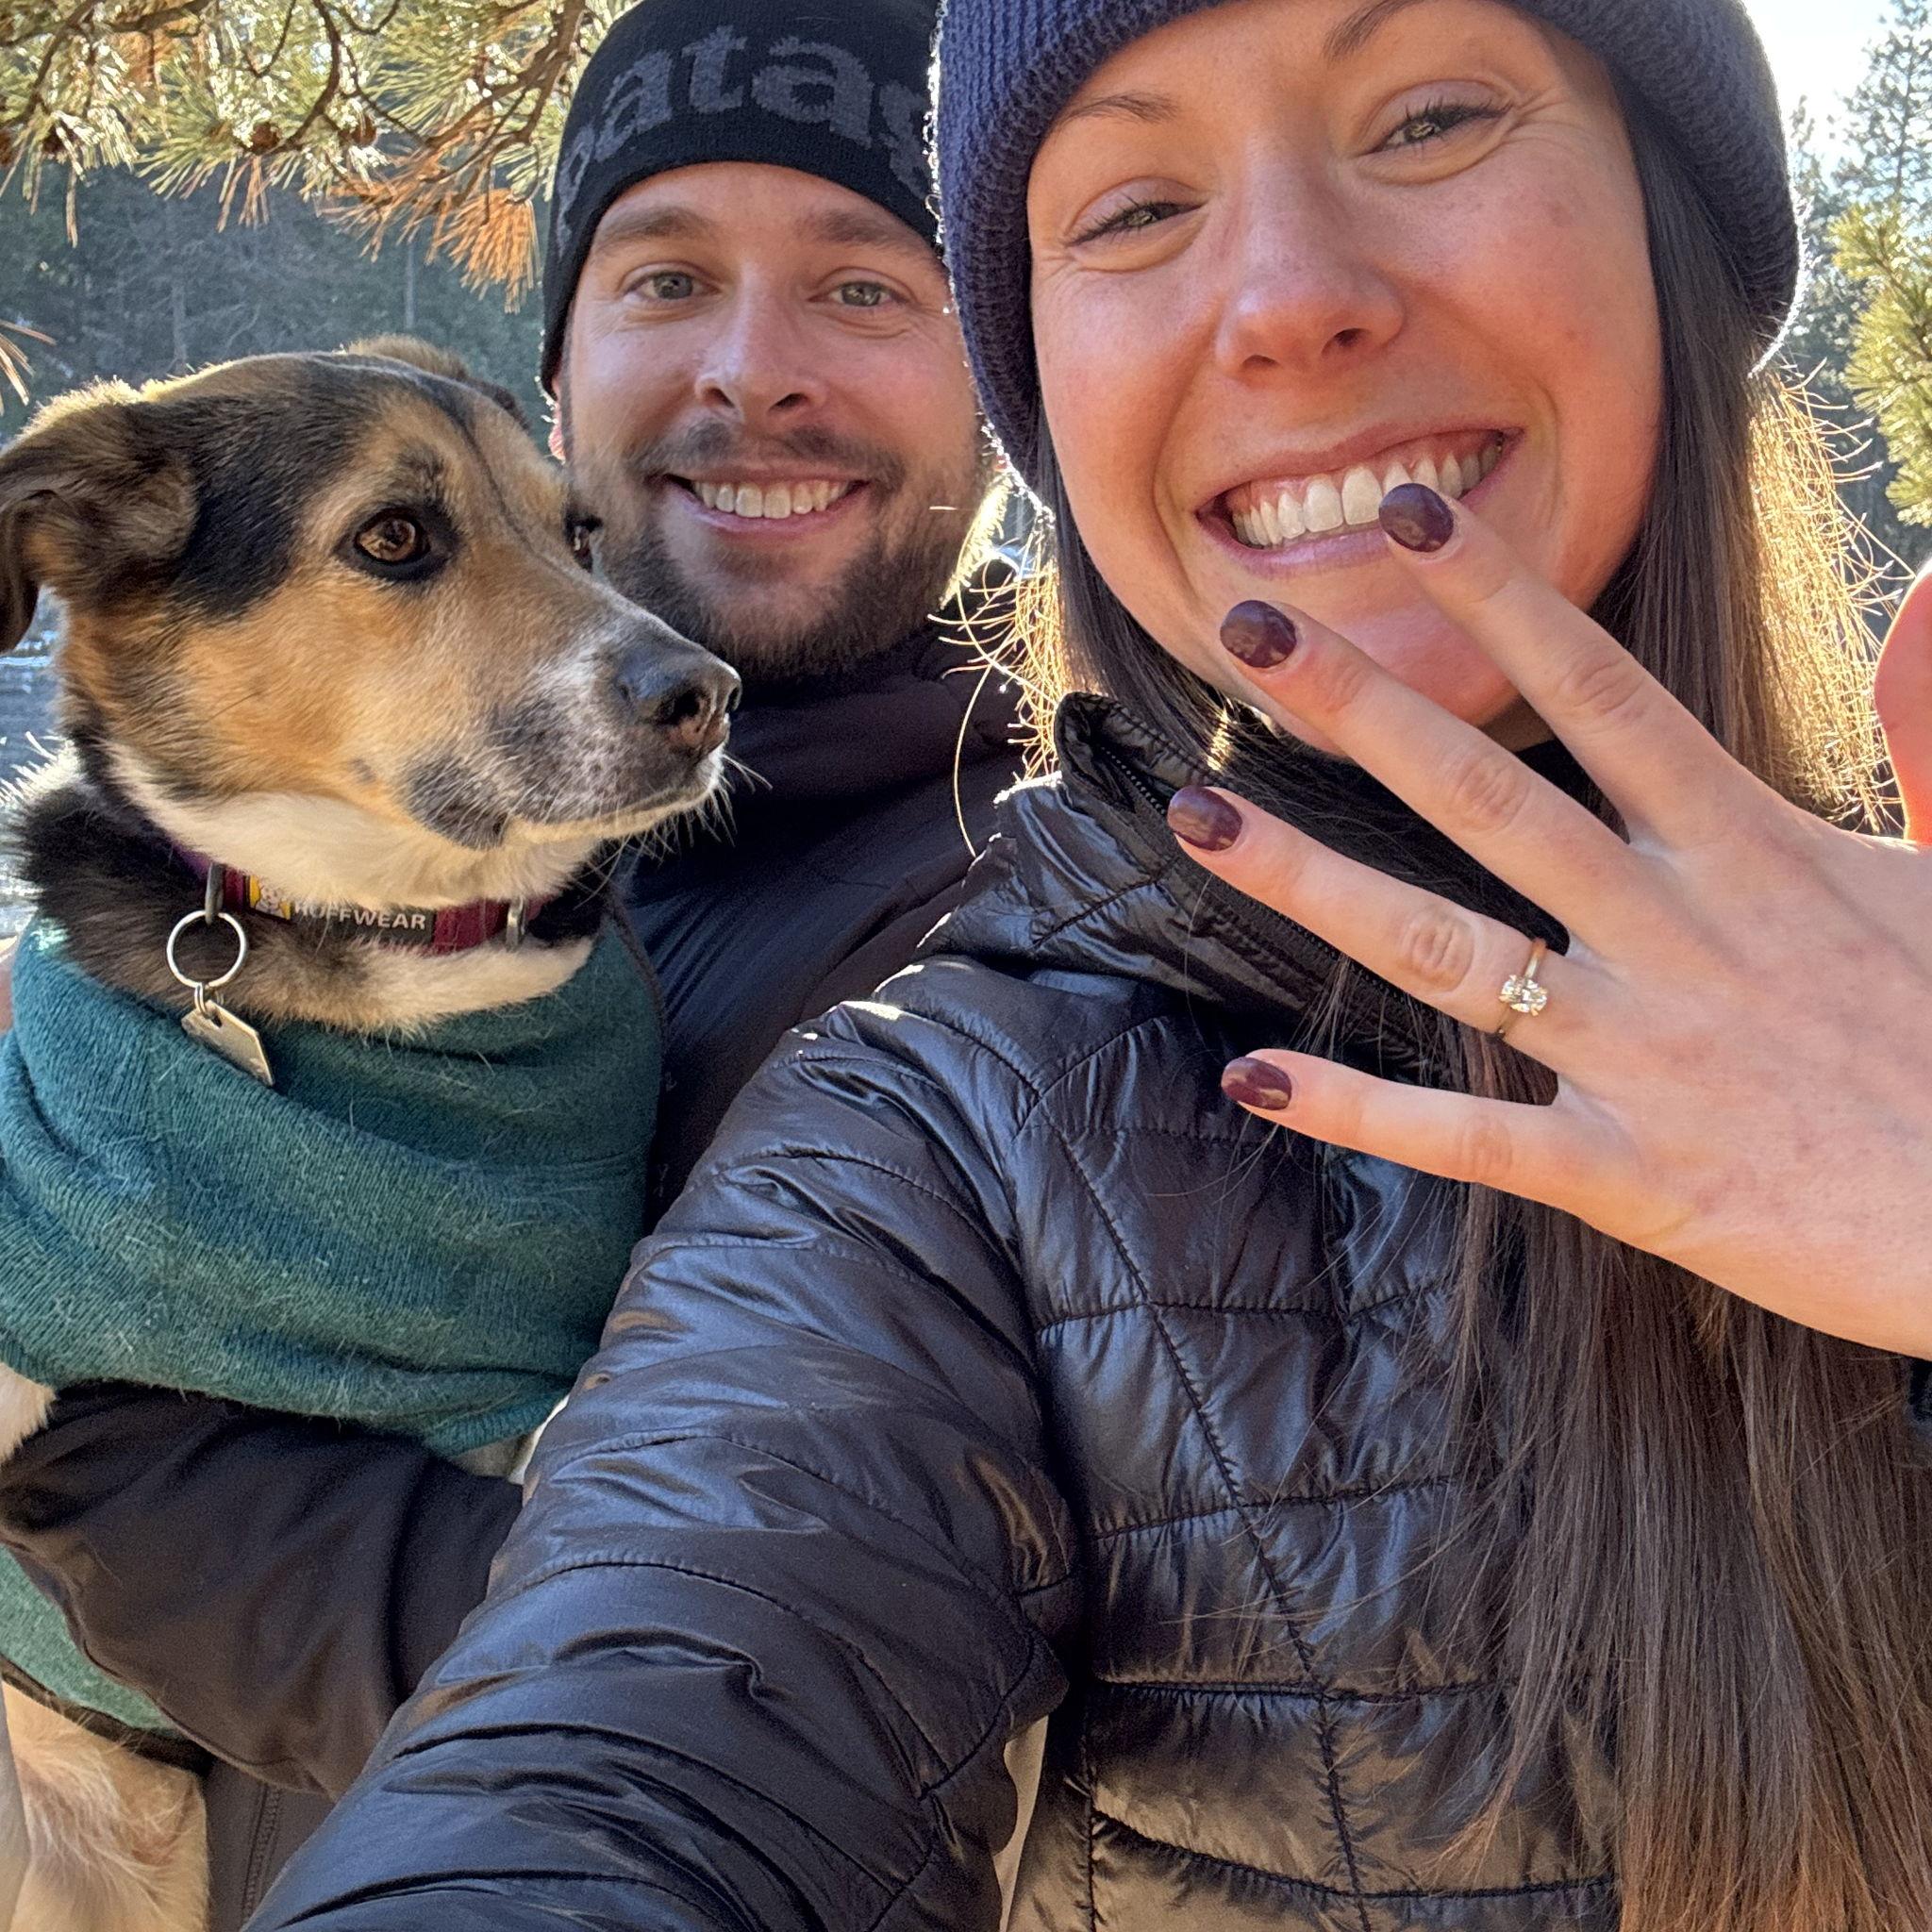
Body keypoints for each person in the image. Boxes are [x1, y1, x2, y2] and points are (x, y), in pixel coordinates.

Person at [136, 0, 1932, 1923]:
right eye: (1139, 205)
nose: (1283, 300)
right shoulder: (917, 1087)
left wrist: (159, 1510)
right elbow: (643, 1706)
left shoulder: (968, 981)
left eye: (1426, 115)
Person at [0, 0, 1017, 1924]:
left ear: (1005, 382)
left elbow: (804, 1682)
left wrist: (132, 1492)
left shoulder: (1035, 904)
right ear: (560, 382)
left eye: (865, 288)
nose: (750, 370)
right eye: (664, 276)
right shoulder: (512, 864)